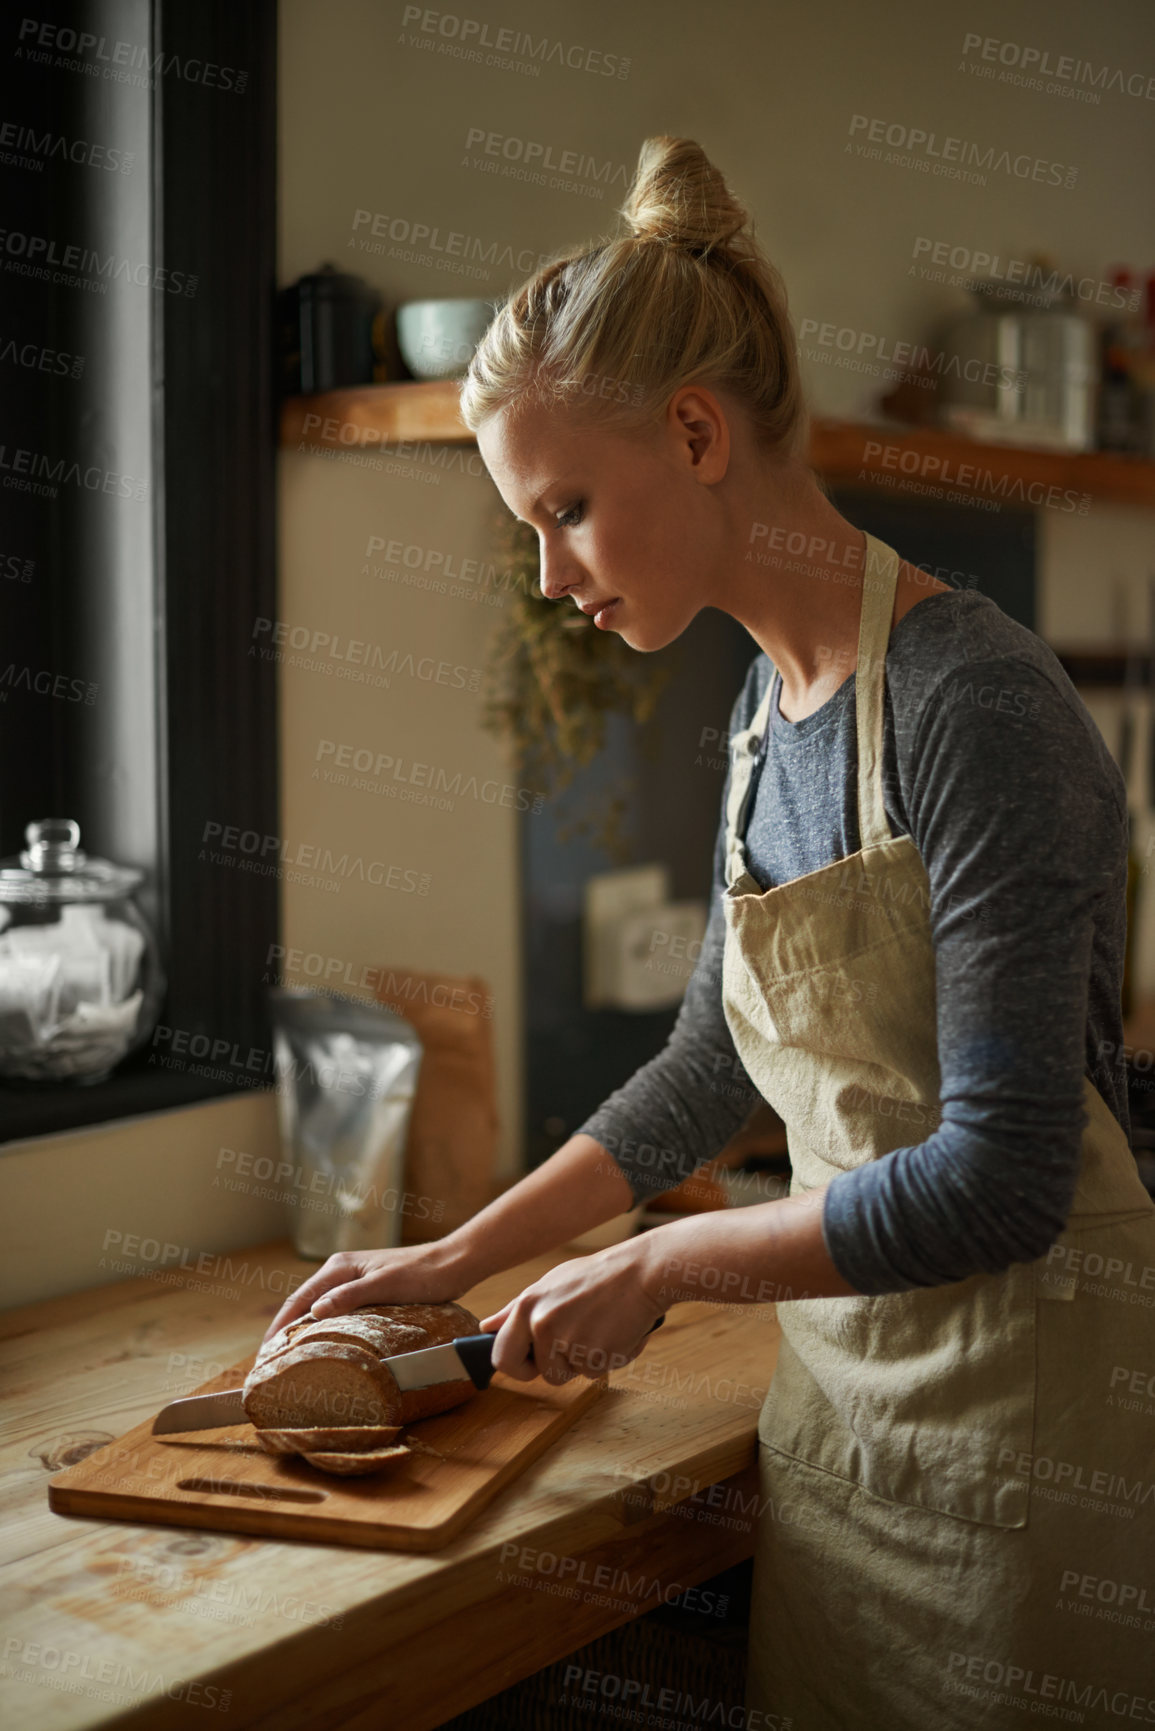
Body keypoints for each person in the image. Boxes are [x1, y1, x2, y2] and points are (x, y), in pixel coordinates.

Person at [264, 138, 1155, 1729]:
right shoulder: (766, 711)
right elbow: (704, 1068)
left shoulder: (977, 709)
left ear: (694, 431)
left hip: (1029, 1478)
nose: (550, 579)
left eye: (569, 512)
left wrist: (669, 1265)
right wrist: (456, 1260)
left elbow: (1005, 1180)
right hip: (844, 1459)